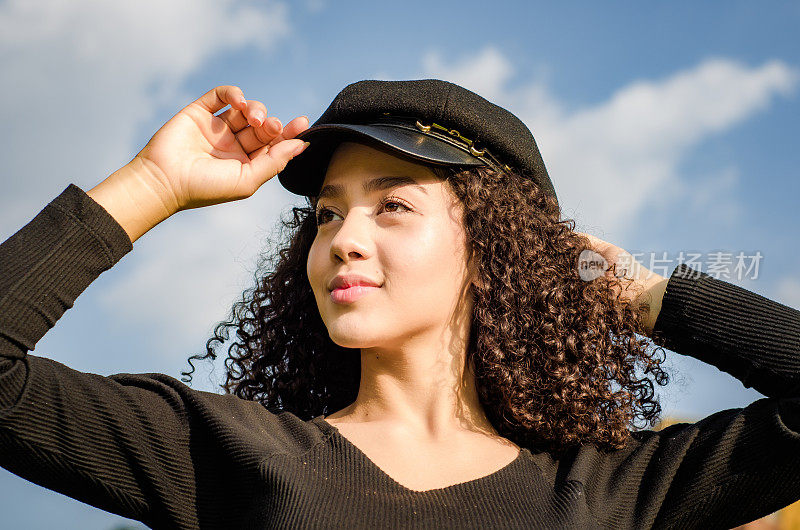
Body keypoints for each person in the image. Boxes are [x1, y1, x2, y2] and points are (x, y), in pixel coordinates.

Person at [0, 79, 798, 530]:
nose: (343, 239)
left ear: (493, 248)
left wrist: (652, 298)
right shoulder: (226, 451)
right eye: (326, 215)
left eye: (393, 206)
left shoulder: (610, 490)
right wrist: (153, 185)